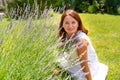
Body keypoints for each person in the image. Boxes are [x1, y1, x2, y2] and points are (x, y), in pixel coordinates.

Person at [56, 9, 108, 80]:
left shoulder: (81, 42)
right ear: (62, 24)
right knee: (58, 59)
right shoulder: (66, 34)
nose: (70, 26)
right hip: (74, 61)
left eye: (73, 22)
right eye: (67, 23)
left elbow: (85, 65)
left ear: (78, 24)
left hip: (85, 68)